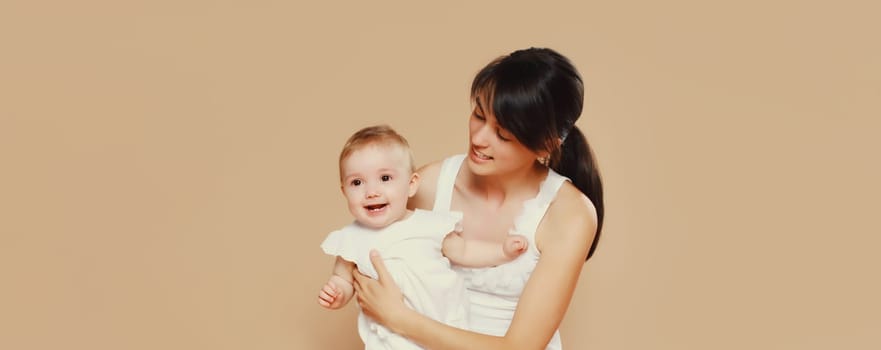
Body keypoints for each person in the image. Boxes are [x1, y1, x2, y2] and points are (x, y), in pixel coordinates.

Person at [351, 47, 605, 350]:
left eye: (503, 134)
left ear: (545, 146)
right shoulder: (430, 185)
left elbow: (521, 347)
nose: (479, 138)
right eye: (478, 114)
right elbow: (365, 247)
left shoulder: (569, 215)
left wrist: (400, 318)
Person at [317, 125, 529, 349]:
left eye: (385, 178)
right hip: (390, 340)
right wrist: (337, 292)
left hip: (443, 327)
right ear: (344, 191)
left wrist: (501, 252)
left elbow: (464, 251)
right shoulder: (350, 238)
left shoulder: (429, 224)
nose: (371, 191)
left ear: (411, 185)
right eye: (357, 183)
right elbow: (342, 278)